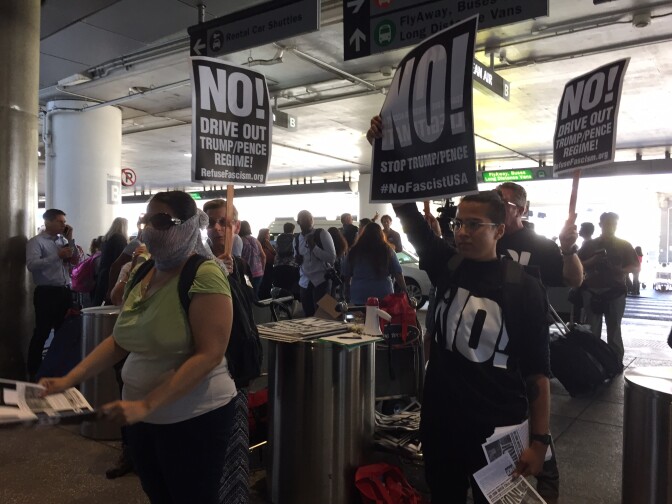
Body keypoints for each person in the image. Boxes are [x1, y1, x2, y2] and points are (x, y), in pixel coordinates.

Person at [40, 191, 236, 504]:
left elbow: (209, 354)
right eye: (146, 220)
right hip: (143, 418)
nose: (149, 229)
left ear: (186, 227)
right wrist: (68, 379)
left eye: (161, 221)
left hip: (192, 418)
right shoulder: (145, 271)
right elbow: (121, 340)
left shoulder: (205, 274)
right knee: (158, 494)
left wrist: (147, 404)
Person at [393, 192, 551, 504]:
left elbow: (538, 374)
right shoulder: (447, 265)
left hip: (495, 428)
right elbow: (408, 217)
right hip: (441, 422)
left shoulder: (524, 288)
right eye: (458, 223)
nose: (463, 232)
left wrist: (540, 442)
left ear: (499, 230)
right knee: (443, 495)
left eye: (475, 225)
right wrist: (385, 152)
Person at [495, 182, 582, 503]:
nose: (497, 207)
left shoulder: (538, 244)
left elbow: (574, 279)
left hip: (527, 346)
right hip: (491, 349)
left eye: (503, 203)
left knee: (533, 417)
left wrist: (569, 248)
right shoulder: (487, 236)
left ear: (522, 209)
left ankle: (544, 479)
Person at [204, 200, 252, 504]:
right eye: (211, 222)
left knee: (236, 452)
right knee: (213, 453)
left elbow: (247, 310)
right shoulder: (198, 264)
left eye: (223, 222)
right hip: (213, 373)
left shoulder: (241, 265)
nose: (217, 228)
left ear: (235, 225)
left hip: (241, 367)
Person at [579, 212, 640, 365]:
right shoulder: (589, 245)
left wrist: (621, 270)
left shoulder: (624, 245)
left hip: (615, 291)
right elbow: (576, 265)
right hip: (592, 291)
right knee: (593, 329)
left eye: (613, 224)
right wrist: (593, 260)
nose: (610, 227)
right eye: (607, 224)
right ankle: (593, 361)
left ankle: (615, 362)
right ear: (600, 225)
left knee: (614, 329)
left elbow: (635, 266)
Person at [26, 209, 79, 379]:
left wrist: (70, 240)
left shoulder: (62, 240)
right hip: (46, 293)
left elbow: (74, 260)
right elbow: (32, 265)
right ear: (48, 222)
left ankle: (58, 369)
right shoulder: (36, 242)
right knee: (42, 332)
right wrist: (57, 256)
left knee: (63, 331)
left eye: (64, 222)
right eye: (60, 222)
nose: (64, 225)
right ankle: (34, 370)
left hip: (64, 291)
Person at [341, 222, 406, 305]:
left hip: (359, 294)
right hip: (383, 294)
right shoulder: (387, 251)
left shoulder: (354, 251)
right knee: (383, 317)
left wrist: (347, 291)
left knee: (361, 317)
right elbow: (398, 273)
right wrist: (405, 291)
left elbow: (346, 274)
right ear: (381, 234)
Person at [295, 210, 336, 316]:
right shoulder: (296, 239)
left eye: (310, 218)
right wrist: (297, 260)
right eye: (304, 219)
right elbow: (297, 258)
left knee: (326, 316)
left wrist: (314, 247)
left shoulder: (322, 234)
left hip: (322, 280)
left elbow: (331, 258)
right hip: (305, 282)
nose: (308, 221)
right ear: (298, 222)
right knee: (308, 316)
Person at [93, 217, 129, 306]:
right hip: (112, 276)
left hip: (103, 274)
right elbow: (119, 262)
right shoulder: (119, 239)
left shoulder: (107, 239)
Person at [239, 220, 266, 297]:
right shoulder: (256, 240)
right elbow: (263, 256)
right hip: (258, 273)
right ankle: (256, 307)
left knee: (247, 294)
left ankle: (250, 308)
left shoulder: (239, 240)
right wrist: (262, 269)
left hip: (246, 274)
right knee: (255, 293)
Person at [257, 228, 276, 299]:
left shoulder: (268, 244)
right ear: (264, 235)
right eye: (268, 234)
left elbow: (275, 254)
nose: (269, 235)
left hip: (268, 265)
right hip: (264, 266)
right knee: (265, 283)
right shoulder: (260, 244)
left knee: (267, 283)